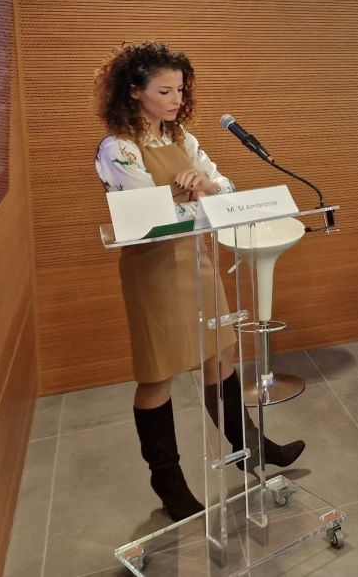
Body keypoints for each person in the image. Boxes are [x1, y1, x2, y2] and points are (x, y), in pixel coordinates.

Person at [94, 42, 303, 522]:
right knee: (158, 373)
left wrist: (207, 188)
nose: (176, 99)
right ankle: (169, 484)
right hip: (154, 271)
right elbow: (152, 216)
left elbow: (225, 188)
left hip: (198, 261)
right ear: (134, 92)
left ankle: (251, 446)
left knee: (219, 356)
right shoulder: (118, 149)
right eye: (164, 91)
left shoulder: (181, 136)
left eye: (180, 90)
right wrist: (198, 197)